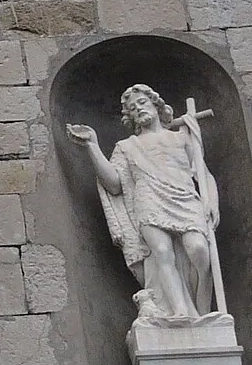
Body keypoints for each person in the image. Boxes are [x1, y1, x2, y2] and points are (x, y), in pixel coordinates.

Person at [67, 86, 221, 324]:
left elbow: (204, 174)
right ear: (130, 117)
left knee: (199, 250)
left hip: (185, 198)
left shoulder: (182, 137)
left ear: (156, 106)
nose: (138, 109)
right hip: (148, 199)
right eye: (132, 108)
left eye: (142, 103)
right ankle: (179, 310)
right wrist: (93, 146)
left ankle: (201, 311)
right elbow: (115, 184)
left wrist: (212, 202)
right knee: (161, 253)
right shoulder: (127, 147)